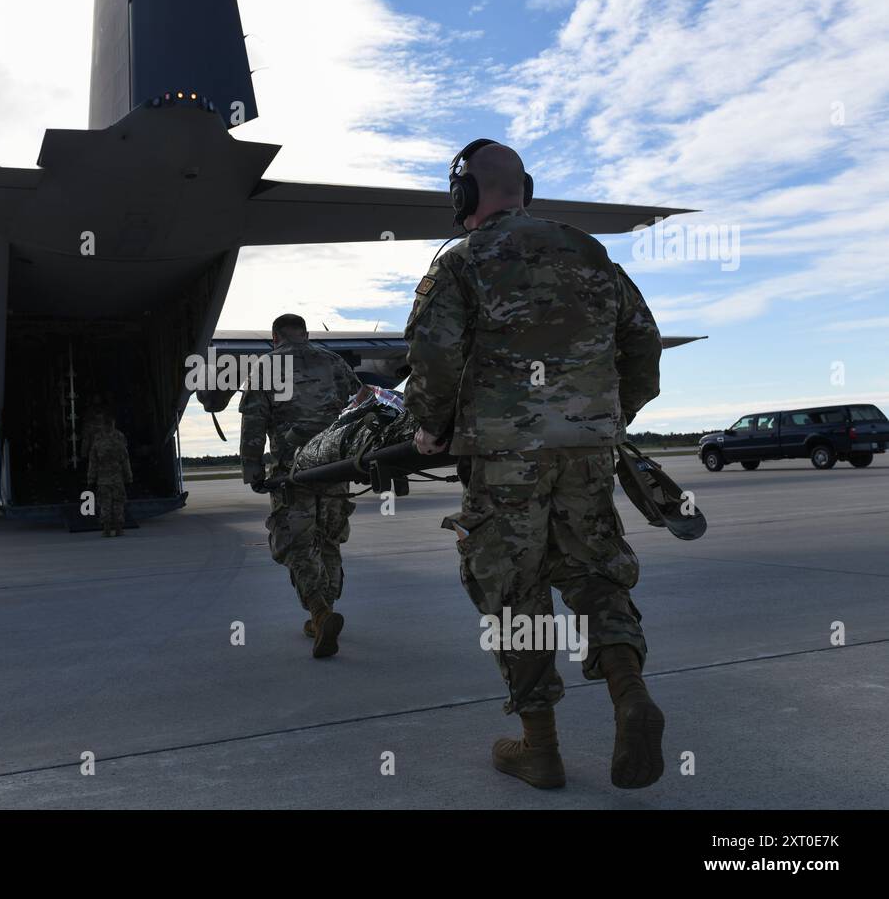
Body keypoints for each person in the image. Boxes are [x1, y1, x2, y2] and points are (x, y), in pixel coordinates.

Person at [404, 140, 664, 789]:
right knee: (594, 569)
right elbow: (644, 343)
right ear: (527, 188)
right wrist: (607, 417)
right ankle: (629, 694)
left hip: (502, 459)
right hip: (586, 451)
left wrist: (430, 428)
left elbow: (433, 358)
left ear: (464, 198)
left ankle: (539, 747)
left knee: (512, 592)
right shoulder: (590, 254)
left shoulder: (463, 263)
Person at [240, 314, 364, 658]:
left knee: (297, 542)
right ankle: (326, 609)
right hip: (335, 464)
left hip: (292, 470)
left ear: (274, 337)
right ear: (306, 333)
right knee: (330, 537)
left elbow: (253, 421)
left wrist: (252, 468)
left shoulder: (266, 365)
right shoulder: (334, 360)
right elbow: (360, 404)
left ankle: (320, 613)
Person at [86, 410, 133, 537]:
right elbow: (125, 459)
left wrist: (91, 480)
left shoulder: (98, 438)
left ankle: (106, 529)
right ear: (113, 423)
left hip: (103, 479)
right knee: (118, 503)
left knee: (105, 504)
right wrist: (129, 478)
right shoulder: (120, 437)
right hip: (118, 478)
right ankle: (119, 529)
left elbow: (93, 461)